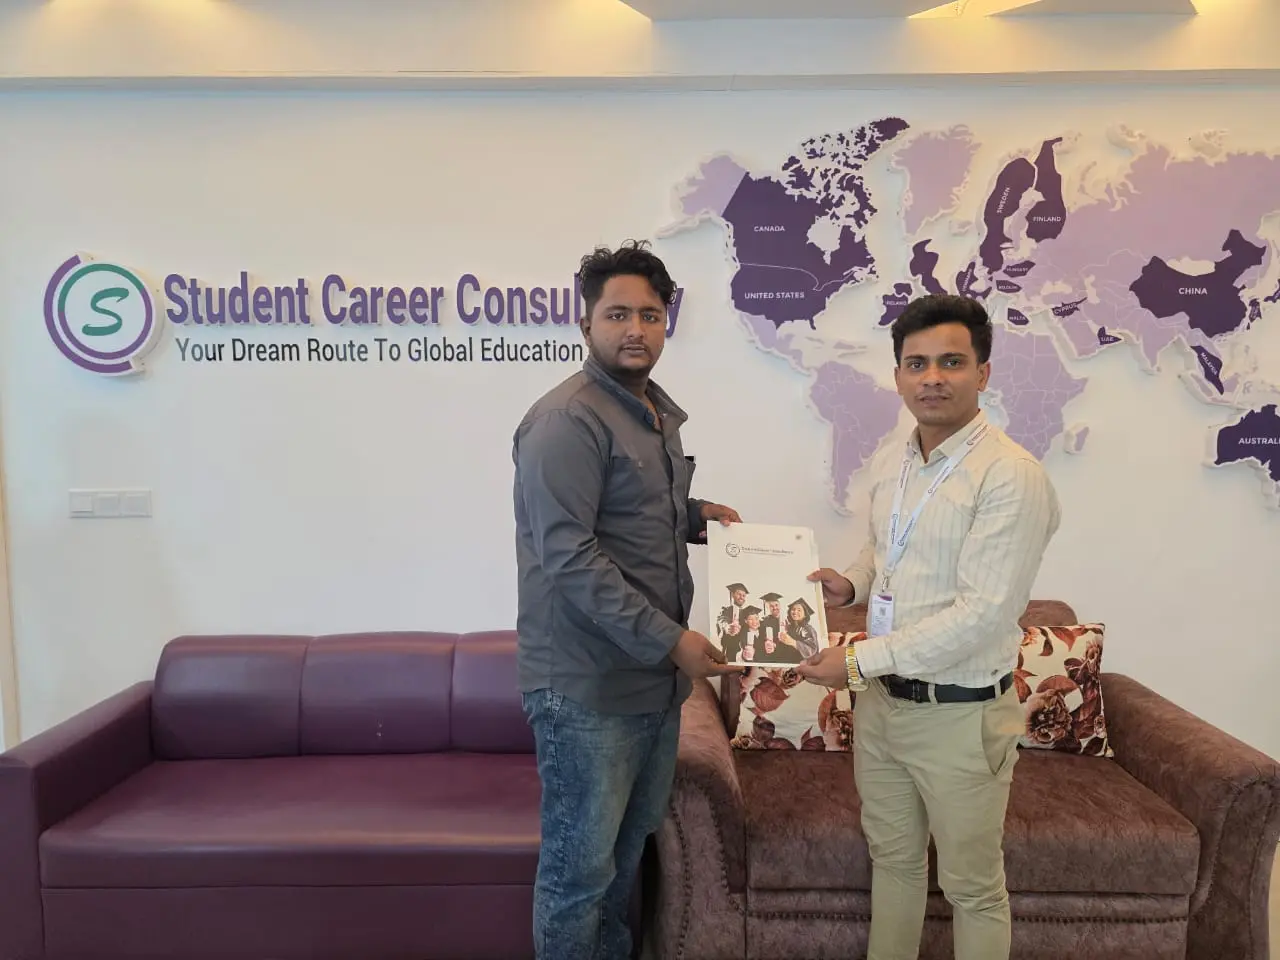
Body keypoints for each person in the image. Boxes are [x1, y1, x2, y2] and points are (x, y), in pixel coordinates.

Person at [797, 293, 1061, 960]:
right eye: (917, 364)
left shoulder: (1011, 476)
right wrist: (851, 583)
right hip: (884, 707)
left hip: (959, 716)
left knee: (973, 889)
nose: (933, 378)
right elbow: (886, 547)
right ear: (898, 376)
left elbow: (982, 615)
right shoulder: (897, 457)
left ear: (983, 372)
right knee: (893, 863)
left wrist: (854, 663)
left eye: (951, 362)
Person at [512, 240, 743, 960]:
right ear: (586, 324)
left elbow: (633, 512)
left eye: (649, 314)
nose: (635, 329)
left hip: (653, 686)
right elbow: (570, 557)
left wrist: (698, 518)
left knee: (621, 865)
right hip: (588, 690)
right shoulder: (565, 421)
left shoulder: (652, 413)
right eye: (618, 314)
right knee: (579, 878)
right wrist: (674, 640)